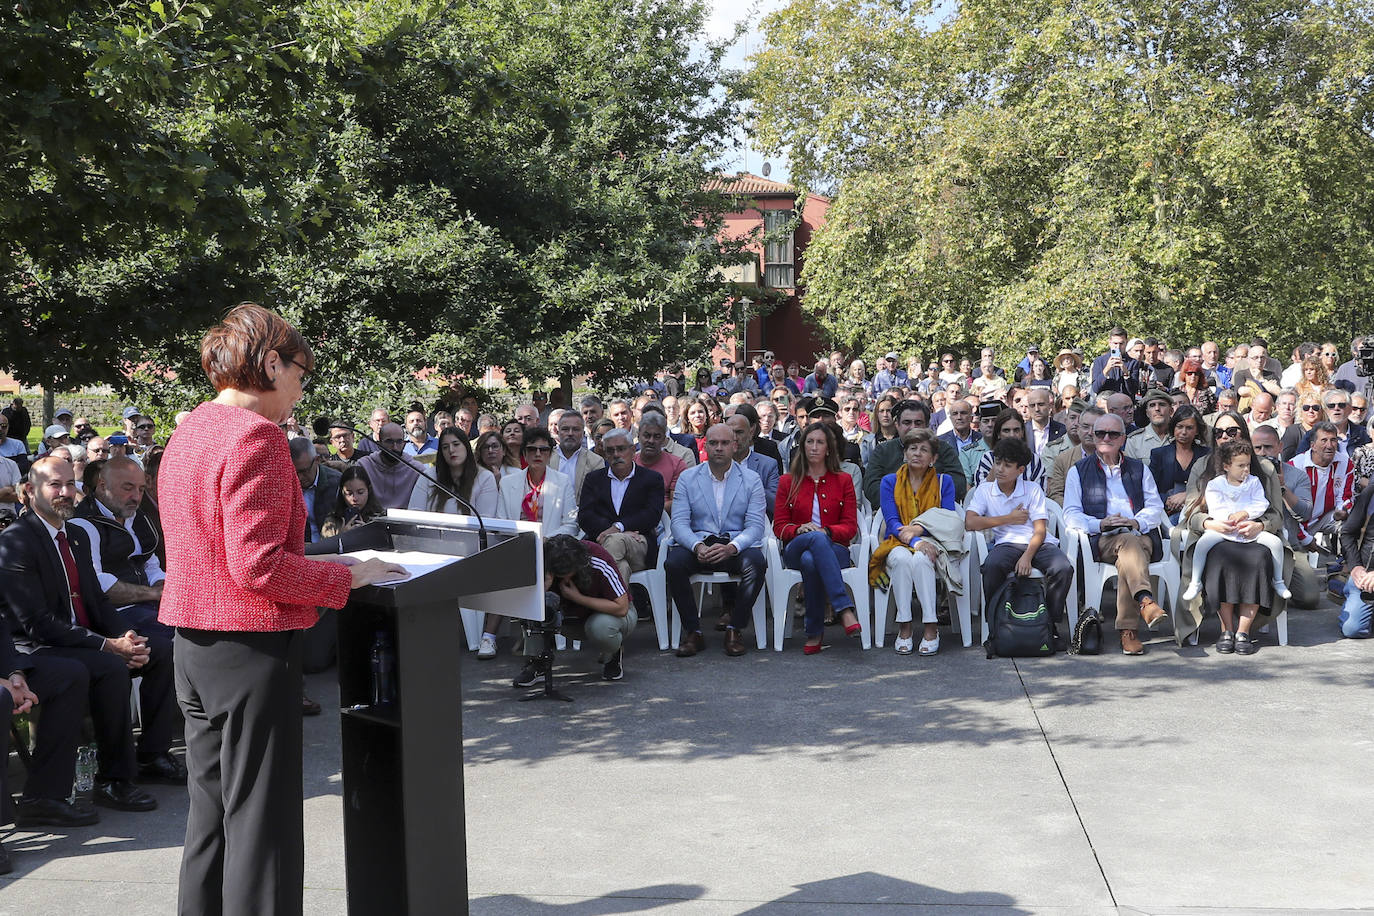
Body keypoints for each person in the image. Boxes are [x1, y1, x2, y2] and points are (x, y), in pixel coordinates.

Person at [157, 304, 406, 915]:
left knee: (211, 816)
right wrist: (348, 579)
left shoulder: (189, 429)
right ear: (270, 363)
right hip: (248, 647)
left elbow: (221, 548)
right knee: (262, 824)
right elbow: (259, 566)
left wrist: (330, 566)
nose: (300, 389)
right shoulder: (258, 438)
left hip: (193, 643)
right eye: (300, 372)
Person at [0, 455, 177, 808]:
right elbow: (36, 623)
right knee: (107, 667)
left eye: (70, 484)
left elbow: (97, 603)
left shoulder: (76, 535)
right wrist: (107, 645)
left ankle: (152, 755)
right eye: (55, 485)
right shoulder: (17, 542)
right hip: (38, 646)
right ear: (28, 492)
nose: (66, 492)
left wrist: (127, 637)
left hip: (79, 638)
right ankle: (115, 779)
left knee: (158, 648)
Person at [1174, 414, 1291, 650]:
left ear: (1244, 434)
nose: (1225, 437)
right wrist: (1208, 523)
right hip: (1219, 532)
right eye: (1219, 433)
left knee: (1259, 558)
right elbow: (1190, 512)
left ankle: (1243, 632)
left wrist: (1260, 525)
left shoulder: (1263, 469)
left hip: (1253, 535)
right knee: (1218, 557)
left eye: (1232, 431)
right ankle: (1225, 629)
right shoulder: (1203, 467)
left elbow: (1276, 514)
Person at [1063, 413, 1169, 655]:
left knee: (1129, 549)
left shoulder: (1139, 469)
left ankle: (1131, 626)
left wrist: (1135, 521)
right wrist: (1100, 524)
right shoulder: (1078, 471)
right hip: (1104, 539)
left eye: (1113, 434)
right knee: (1128, 547)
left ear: (1123, 438)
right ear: (1093, 436)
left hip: (1138, 535)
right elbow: (1070, 513)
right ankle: (1142, 608)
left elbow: (1155, 507)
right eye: (1101, 433)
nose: (1106, 438)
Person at [665, 424, 767, 658]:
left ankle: (735, 629)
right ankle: (693, 632)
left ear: (735, 446)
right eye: (713, 443)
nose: (719, 448)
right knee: (673, 564)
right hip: (699, 544)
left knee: (757, 563)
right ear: (705, 446)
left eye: (724, 443)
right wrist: (697, 546)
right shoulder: (688, 478)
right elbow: (679, 523)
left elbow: (755, 527)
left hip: (734, 545)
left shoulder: (751, 479)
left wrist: (732, 547)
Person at [965, 437, 1074, 639]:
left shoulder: (1032, 489)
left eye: (1007, 465)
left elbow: (1040, 530)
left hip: (1039, 544)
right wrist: (1009, 518)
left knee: (1063, 568)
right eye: (998, 463)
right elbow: (970, 523)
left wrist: (1027, 557)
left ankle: (1049, 622)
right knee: (991, 566)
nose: (1000, 469)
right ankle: (996, 622)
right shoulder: (984, 490)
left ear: (1021, 470)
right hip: (1006, 543)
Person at [870, 428, 958, 655]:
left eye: (923, 449)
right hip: (897, 540)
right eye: (912, 448)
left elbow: (945, 519)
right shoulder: (889, 482)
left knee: (921, 560)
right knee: (900, 558)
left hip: (935, 541)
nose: (917, 453)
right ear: (904, 454)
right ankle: (905, 626)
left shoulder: (944, 482)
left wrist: (918, 530)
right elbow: (892, 522)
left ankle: (931, 626)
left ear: (933, 458)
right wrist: (917, 541)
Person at [1180, 439, 1292, 609]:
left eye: (1247, 465)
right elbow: (1214, 506)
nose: (1246, 469)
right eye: (1240, 466)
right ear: (1226, 466)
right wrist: (1227, 518)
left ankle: (1278, 581)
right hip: (1223, 528)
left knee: (1275, 543)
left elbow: (1261, 503)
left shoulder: (1253, 482)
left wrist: (1246, 514)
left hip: (1248, 528)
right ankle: (1195, 581)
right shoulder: (1215, 485)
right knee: (1202, 544)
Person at [521, 535, 634, 685]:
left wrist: (578, 598)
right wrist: (545, 584)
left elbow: (622, 607)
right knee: (537, 608)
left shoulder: (597, 559)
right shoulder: (544, 561)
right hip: (569, 619)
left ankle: (612, 654)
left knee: (600, 627)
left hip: (611, 617)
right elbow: (524, 602)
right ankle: (538, 662)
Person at [576, 429, 664, 586]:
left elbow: (652, 515)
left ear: (632, 450)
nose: (616, 454)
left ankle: (600, 605)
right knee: (621, 564)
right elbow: (585, 516)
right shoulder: (594, 479)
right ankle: (624, 609)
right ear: (605, 454)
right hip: (602, 541)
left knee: (616, 541)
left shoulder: (651, 479)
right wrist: (612, 531)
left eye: (621, 449)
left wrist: (619, 528)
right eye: (610, 450)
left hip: (639, 542)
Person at [863, 399, 968, 508]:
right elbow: (871, 488)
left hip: (936, 511)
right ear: (897, 425)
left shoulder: (943, 449)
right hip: (893, 511)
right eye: (907, 422)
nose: (912, 427)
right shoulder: (883, 451)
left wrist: (925, 498)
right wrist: (905, 500)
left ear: (927, 425)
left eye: (918, 423)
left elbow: (958, 485)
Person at [408, 426, 499, 518]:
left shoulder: (485, 477)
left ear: (466, 447)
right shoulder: (428, 476)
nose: (451, 450)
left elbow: (486, 518)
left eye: (456, 444)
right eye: (445, 447)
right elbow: (414, 512)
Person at [1288, 421, 1354, 548]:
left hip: (1326, 518)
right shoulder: (1295, 466)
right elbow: (1289, 512)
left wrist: (1343, 510)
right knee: (1302, 568)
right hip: (1296, 525)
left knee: (1353, 523)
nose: (1329, 445)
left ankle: (1349, 562)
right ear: (1312, 445)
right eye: (1324, 440)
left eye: (1333, 440)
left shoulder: (1345, 463)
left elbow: (1346, 497)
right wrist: (1306, 539)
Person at [1148, 406, 1209, 523]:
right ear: (1173, 428)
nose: (1183, 432)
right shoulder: (1159, 454)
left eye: (1189, 428)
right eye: (1179, 427)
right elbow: (1150, 489)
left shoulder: (1206, 455)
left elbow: (1214, 486)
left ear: (1197, 430)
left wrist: (1188, 496)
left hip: (1198, 512)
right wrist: (1168, 500)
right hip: (1166, 514)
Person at [1336, 477, 1374, 638]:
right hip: (1367, 575)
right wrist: (1356, 567)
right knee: (1352, 628)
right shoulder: (1370, 494)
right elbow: (1347, 533)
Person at [356, 422, 425, 509]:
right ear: (379, 444)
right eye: (389, 442)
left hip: (406, 520)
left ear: (404, 444)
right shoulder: (364, 466)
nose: (395, 447)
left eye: (399, 442)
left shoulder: (416, 470)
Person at [974, 408, 1044, 488]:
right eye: (1006, 431)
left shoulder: (1035, 461)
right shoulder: (988, 459)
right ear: (998, 434)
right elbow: (980, 492)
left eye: (1016, 430)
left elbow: (1040, 493)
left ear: (1022, 433)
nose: (1012, 435)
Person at [548, 410, 605, 501]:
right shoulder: (546, 458)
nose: (570, 433)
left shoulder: (595, 462)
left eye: (575, 429)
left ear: (583, 433)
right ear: (558, 432)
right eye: (565, 429)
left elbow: (598, 496)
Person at [320, 466, 386, 538]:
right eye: (349, 493)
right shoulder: (333, 520)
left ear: (369, 491)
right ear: (342, 493)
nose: (354, 498)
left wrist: (369, 535)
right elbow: (324, 547)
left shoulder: (380, 518)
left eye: (360, 492)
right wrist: (341, 536)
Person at [1125, 389, 1174, 460]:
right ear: (1147, 413)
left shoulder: (1180, 437)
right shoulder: (1134, 441)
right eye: (1152, 405)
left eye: (1162, 404)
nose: (1157, 408)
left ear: (1171, 411)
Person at [1023, 386, 1065, 457]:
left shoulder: (1062, 431)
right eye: (1032, 405)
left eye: (1041, 404)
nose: (1037, 409)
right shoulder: (1022, 431)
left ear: (1050, 406)